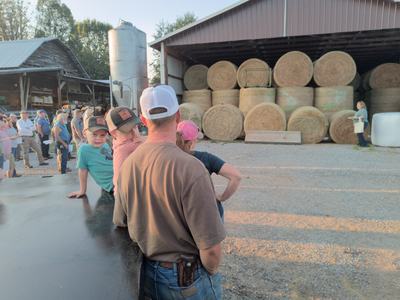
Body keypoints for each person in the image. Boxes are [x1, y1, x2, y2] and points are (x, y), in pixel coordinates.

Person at [114, 85, 226, 299]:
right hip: (186, 281)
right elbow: (211, 249)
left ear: (143, 120)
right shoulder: (192, 168)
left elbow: (121, 221)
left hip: (146, 273)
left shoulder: (128, 165)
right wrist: (209, 272)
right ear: (177, 116)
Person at [176, 120, 241, 221]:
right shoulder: (205, 158)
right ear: (192, 142)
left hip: (180, 215)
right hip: (208, 214)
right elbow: (236, 176)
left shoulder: (168, 159)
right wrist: (222, 197)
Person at [68, 116, 113, 198]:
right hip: (113, 185)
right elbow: (82, 170)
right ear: (85, 133)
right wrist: (82, 190)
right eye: (94, 134)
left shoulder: (105, 145)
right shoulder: (84, 149)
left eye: (102, 135)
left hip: (120, 178)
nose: (98, 139)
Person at [105, 106, 143, 195]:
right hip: (133, 193)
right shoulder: (122, 150)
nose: (134, 132)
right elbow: (118, 178)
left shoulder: (135, 141)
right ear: (113, 132)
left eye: (135, 127)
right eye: (128, 130)